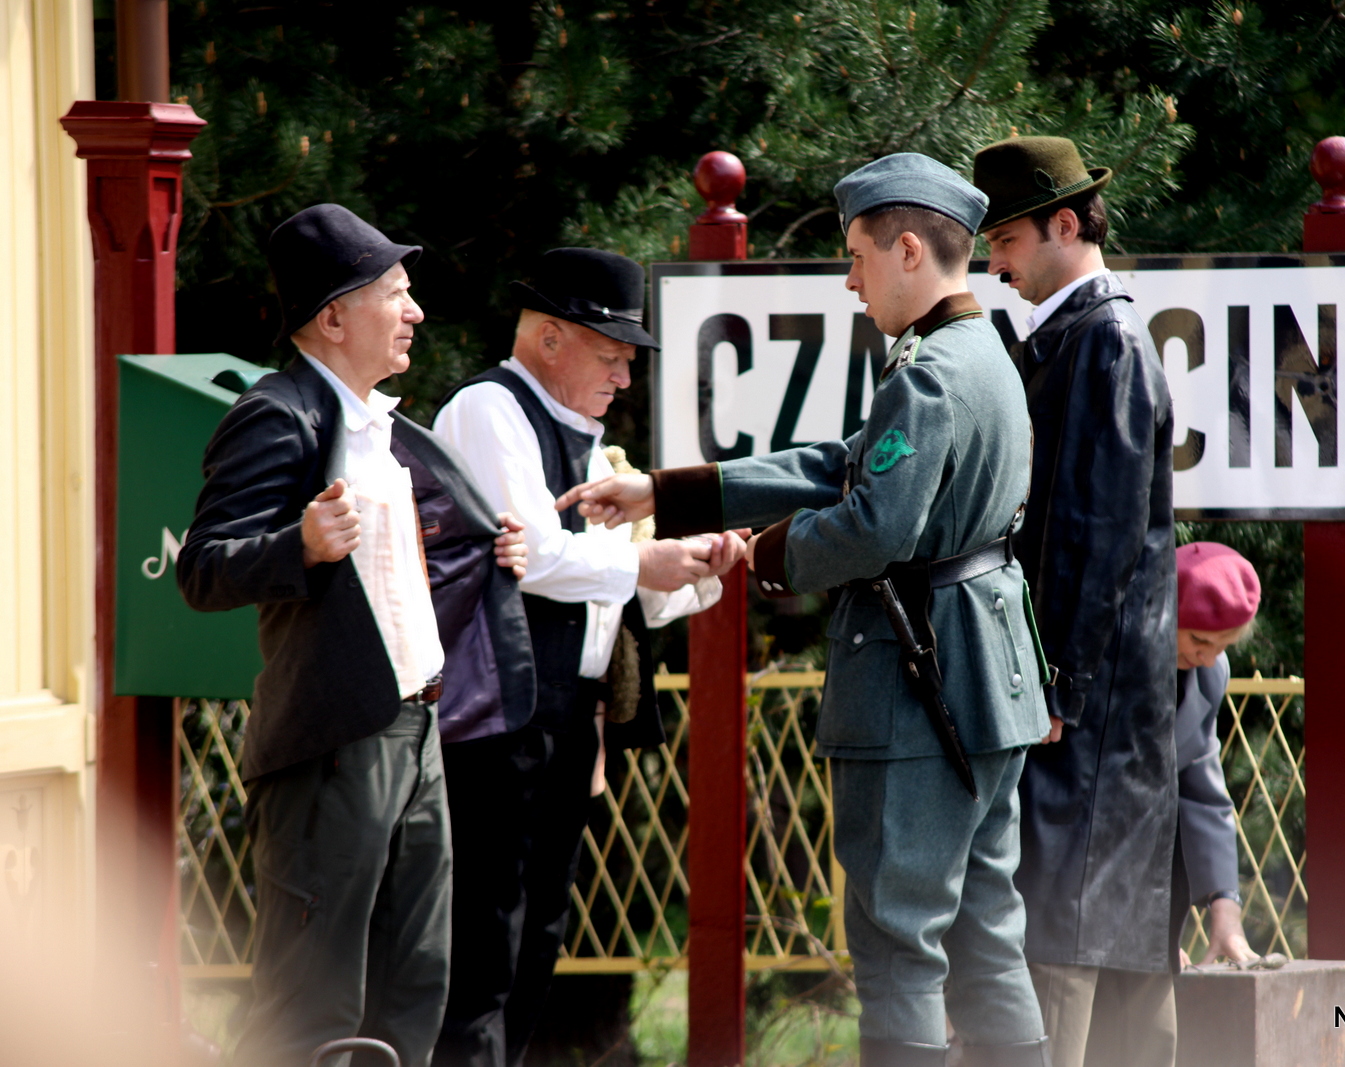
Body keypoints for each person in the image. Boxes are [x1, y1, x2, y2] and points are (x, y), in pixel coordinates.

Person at [557, 153, 1051, 1067]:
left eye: (858, 256)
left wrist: (768, 554)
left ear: (908, 251)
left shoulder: (929, 373)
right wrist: (668, 493)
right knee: (987, 931)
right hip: (991, 682)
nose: (852, 280)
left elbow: (873, 525)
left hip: (921, 689)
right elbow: (840, 463)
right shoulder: (982, 354)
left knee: (898, 939)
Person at [177, 204, 531, 1067]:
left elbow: (410, 562)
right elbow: (203, 567)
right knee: (312, 1004)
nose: (415, 311)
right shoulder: (278, 413)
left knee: (414, 986)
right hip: (335, 744)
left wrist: (498, 547)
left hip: (418, 729)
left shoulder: (380, 423)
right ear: (333, 318)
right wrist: (296, 545)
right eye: (395, 293)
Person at [429, 247, 745, 1067]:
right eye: (611, 356)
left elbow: (617, 589)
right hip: (498, 717)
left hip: (562, 716)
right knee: (487, 939)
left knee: (537, 935)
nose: (625, 379)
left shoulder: (583, 440)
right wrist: (646, 562)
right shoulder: (489, 409)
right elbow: (536, 556)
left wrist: (696, 567)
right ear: (550, 339)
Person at [972, 136, 1178, 1067]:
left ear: (1065, 224)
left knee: (1062, 937)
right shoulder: (1080, 338)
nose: (994, 263)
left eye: (1005, 239)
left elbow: (1097, 533)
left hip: (1083, 707)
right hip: (1096, 703)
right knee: (1092, 939)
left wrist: (1057, 681)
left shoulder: (1104, 341)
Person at [1170, 542, 1261, 970]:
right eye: (1198, 639)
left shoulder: (1210, 673)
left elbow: (1202, 790)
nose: (1207, 658)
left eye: (1223, 646)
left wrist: (1226, 908)